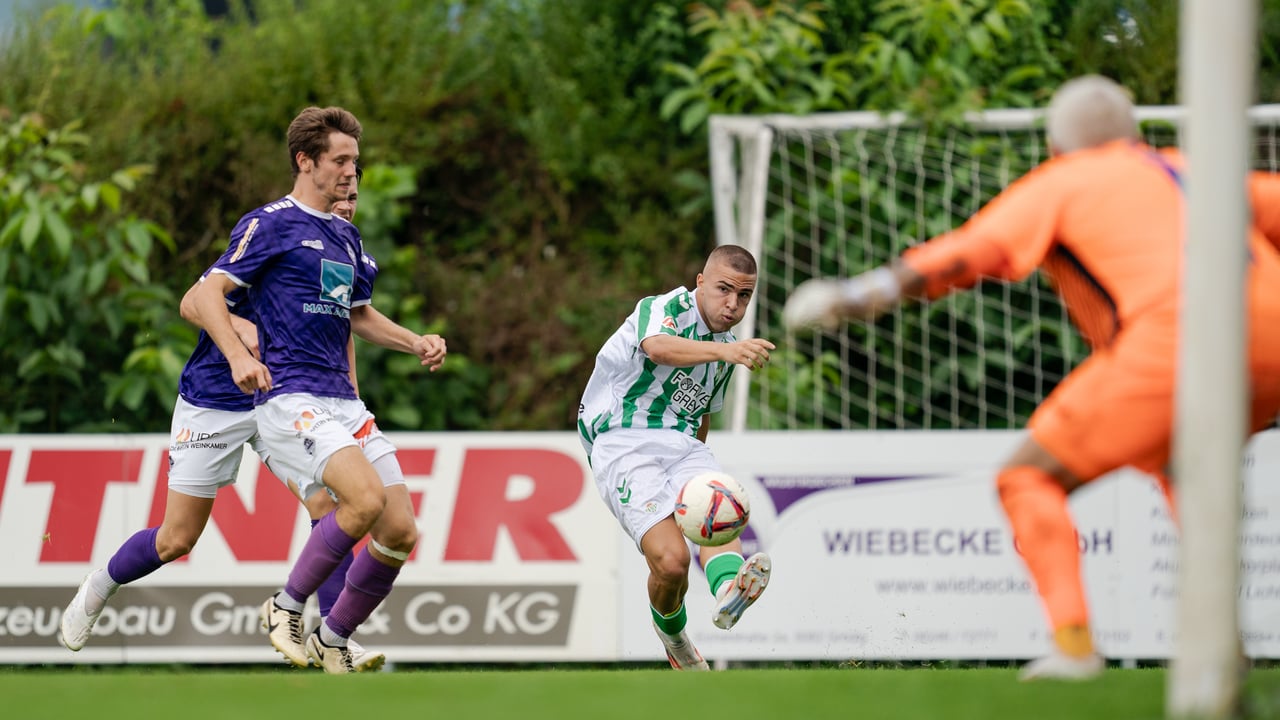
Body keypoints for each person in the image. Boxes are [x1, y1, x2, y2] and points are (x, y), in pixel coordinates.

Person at [781, 75, 1280, 681]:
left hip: (1179, 341)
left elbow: (968, 252)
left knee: (1027, 477)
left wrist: (855, 295)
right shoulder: (1189, 171)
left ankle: (1074, 646)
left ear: (1054, 145)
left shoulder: (1061, 182)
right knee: (1188, 477)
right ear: (1135, 135)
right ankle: (1225, 653)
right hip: (1268, 340)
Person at [56, 172, 389, 673]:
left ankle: (334, 635)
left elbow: (342, 334)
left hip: (287, 398)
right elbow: (193, 301)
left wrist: (350, 400)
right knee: (177, 538)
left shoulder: (341, 252)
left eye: (354, 197)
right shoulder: (275, 233)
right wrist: (242, 330)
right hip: (216, 396)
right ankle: (100, 584)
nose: (346, 204)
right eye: (340, 193)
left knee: (332, 503)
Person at [185, 106, 446, 674]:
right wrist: (237, 356)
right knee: (363, 501)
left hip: (342, 400)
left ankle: (334, 636)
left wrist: (415, 341)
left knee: (400, 530)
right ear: (306, 161)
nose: (352, 171)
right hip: (291, 396)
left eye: (356, 160)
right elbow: (205, 295)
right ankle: (285, 607)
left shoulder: (346, 235)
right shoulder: (270, 223)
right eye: (341, 160)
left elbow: (358, 314)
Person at [577, 244, 777, 670]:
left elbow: (701, 414)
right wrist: (726, 351)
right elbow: (659, 348)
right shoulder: (665, 309)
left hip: (683, 446)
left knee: (720, 505)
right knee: (672, 564)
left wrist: (701, 467)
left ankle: (729, 590)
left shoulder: (725, 350)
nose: (733, 303)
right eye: (724, 289)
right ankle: (674, 639)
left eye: (744, 295)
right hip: (622, 441)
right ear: (700, 282)